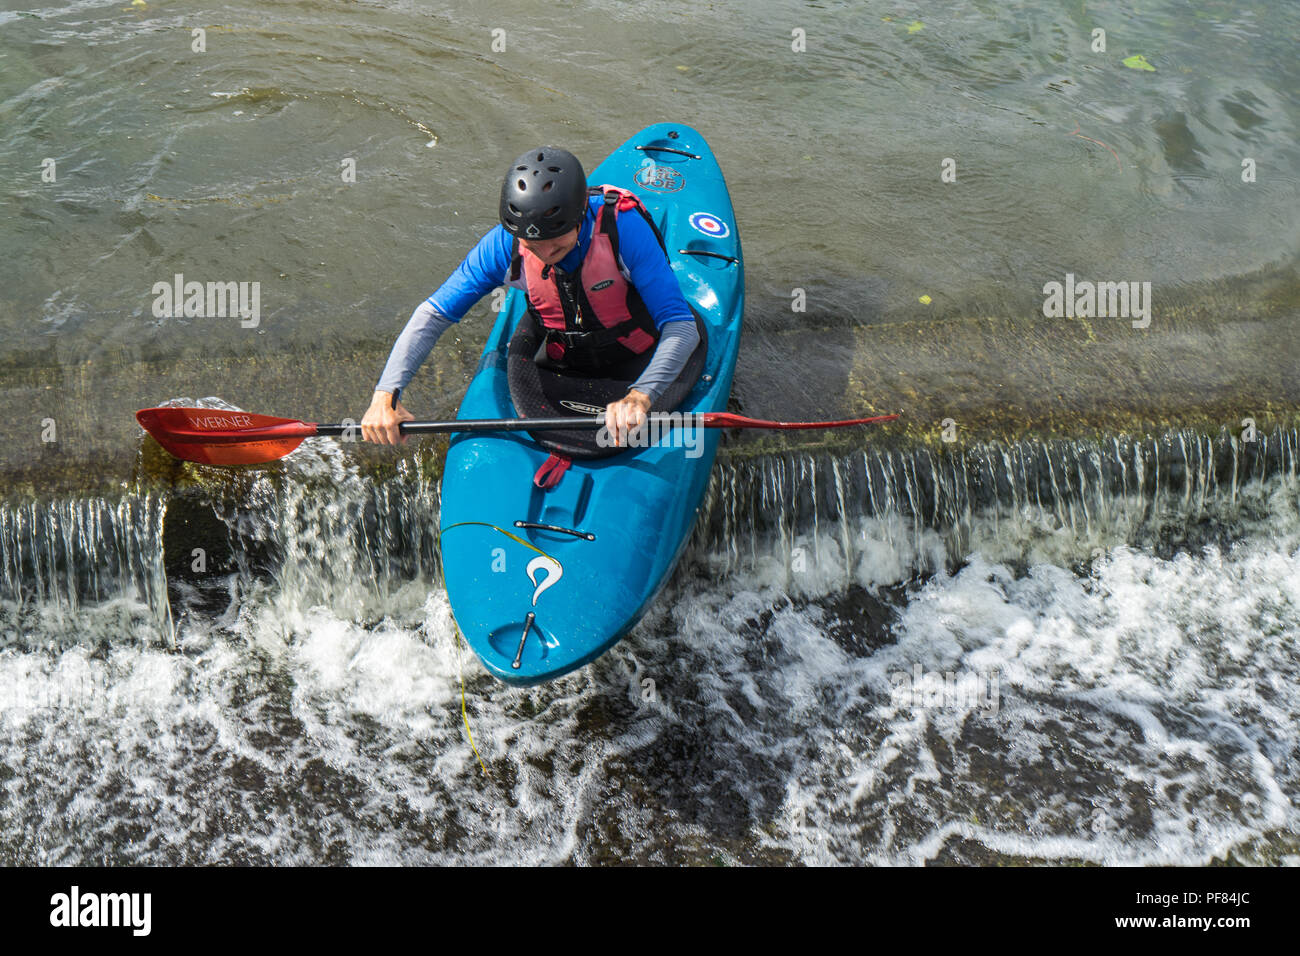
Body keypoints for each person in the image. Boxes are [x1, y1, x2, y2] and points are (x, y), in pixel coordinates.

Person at [361, 146, 700, 447]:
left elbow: (682, 328)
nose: (546, 254)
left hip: (640, 356)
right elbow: (434, 314)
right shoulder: (501, 246)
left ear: (582, 214)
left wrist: (640, 398)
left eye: (558, 243)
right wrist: (385, 395)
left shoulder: (623, 229)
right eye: (532, 246)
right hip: (565, 362)